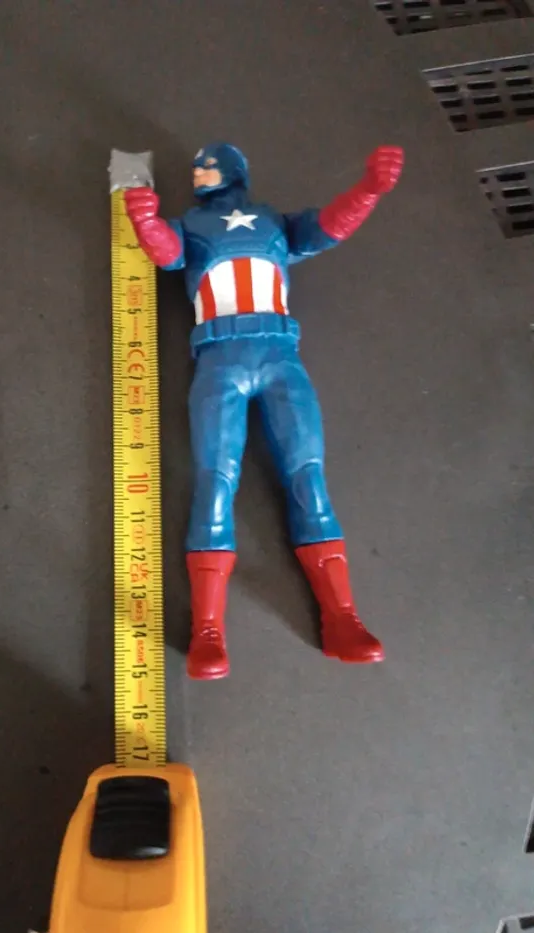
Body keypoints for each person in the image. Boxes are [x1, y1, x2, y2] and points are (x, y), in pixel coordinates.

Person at [124, 142, 404, 679]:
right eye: (196, 167)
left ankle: (343, 617)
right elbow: (166, 253)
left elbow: (329, 226)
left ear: (234, 171)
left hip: (278, 356)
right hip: (220, 358)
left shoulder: (275, 222)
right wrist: (146, 221)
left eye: (209, 165)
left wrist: (369, 190)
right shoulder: (192, 225)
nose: (199, 172)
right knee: (214, 484)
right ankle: (207, 632)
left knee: (309, 479)